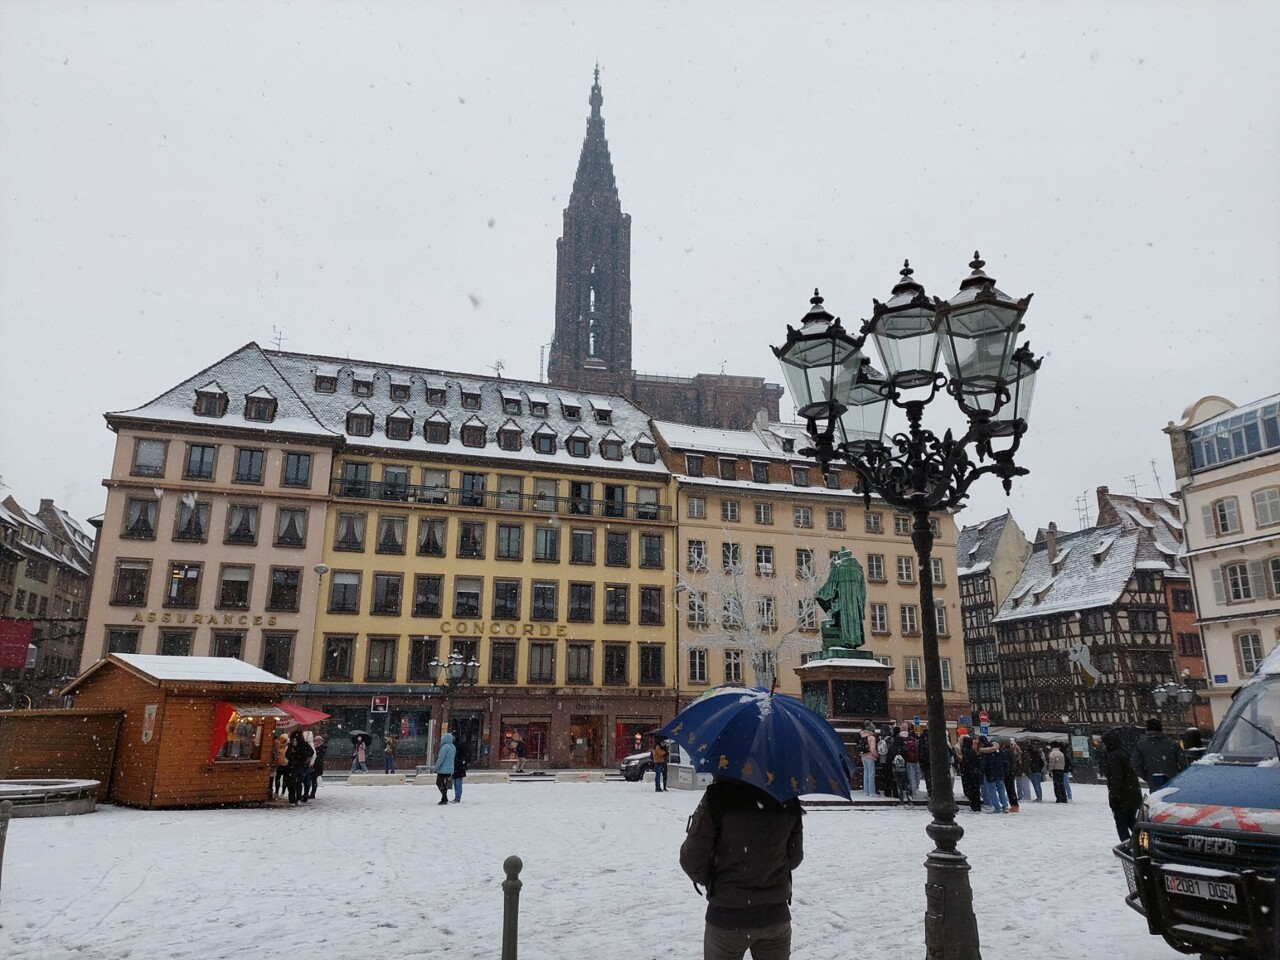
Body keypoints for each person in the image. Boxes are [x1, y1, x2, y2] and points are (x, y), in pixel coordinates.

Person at [679, 776, 804, 960]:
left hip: (727, 918)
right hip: (775, 915)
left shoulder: (718, 796)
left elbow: (692, 859)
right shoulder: (787, 798)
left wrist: (715, 881)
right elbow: (794, 858)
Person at [1101, 729, 1143, 842]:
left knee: (1121, 823)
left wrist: (1114, 794)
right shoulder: (1124, 752)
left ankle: (1126, 846)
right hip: (1132, 792)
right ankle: (1143, 842)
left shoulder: (1113, 756)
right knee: (1131, 820)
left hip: (1122, 795)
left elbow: (1117, 777)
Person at [1132, 718, 1182, 790]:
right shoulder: (1173, 744)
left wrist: (1146, 776)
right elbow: (1184, 763)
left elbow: (1136, 765)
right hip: (1174, 781)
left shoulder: (1140, 745)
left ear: (1147, 729)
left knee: (1157, 799)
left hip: (1154, 781)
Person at [979, 736, 1009, 813]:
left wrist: (981, 776)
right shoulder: (999, 751)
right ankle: (1005, 805)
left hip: (990, 774)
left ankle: (997, 808)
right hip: (1000, 774)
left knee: (992, 792)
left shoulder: (985, 753)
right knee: (1001, 790)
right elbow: (1005, 763)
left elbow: (983, 766)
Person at [285, 730, 310, 805]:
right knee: (299, 783)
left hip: (292, 766)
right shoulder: (304, 744)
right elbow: (311, 752)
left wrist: (291, 757)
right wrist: (304, 758)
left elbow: (287, 754)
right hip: (300, 765)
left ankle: (292, 799)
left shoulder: (291, 744)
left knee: (291, 783)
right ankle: (298, 798)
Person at [959, 736, 983, 812]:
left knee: (970, 790)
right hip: (974, 772)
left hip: (968, 773)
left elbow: (965, 763)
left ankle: (974, 805)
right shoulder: (973, 751)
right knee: (975, 791)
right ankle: (977, 805)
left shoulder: (964, 751)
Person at [433, 731, 456, 806]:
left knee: (439, 783)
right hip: (450, 769)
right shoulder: (453, 747)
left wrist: (436, 767)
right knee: (445, 784)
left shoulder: (444, 747)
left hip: (443, 769)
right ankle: (444, 797)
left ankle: (444, 798)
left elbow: (441, 759)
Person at [859, 721, 878, 797]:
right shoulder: (872, 737)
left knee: (865, 773)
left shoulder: (863, 736)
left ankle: (866, 791)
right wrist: (876, 755)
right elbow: (872, 748)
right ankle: (871, 792)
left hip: (863, 756)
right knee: (871, 774)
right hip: (870, 756)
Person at [306, 734, 326, 800]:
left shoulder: (321, 748)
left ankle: (312, 793)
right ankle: (309, 793)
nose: (315, 741)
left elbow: (319, 757)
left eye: (316, 740)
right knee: (310, 779)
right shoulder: (313, 747)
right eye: (314, 740)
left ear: (320, 741)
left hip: (317, 766)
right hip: (312, 766)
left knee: (313, 780)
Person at [272, 733, 289, 798]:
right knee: (277, 778)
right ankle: (276, 791)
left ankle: (283, 792)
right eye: (281, 738)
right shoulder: (278, 746)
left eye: (283, 738)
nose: (281, 740)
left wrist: (287, 761)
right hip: (279, 764)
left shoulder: (287, 746)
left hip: (286, 765)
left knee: (285, 779)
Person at [452, 738, 469, 803]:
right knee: (458, 783)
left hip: (457, 768)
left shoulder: (455, 748)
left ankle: (457, 797)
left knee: (457, 783)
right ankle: (457, 796)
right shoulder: (461, 748)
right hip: (460, 768)